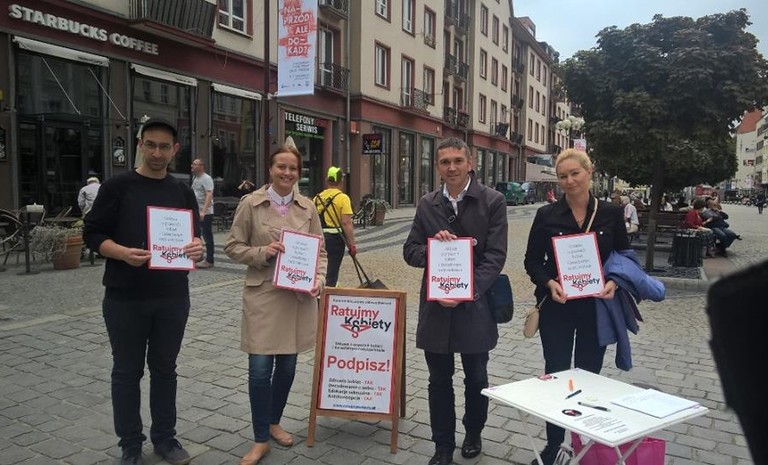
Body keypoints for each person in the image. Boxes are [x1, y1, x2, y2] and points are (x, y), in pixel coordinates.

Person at [84, 118, 203, 465]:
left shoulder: (182, 191)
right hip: (125, 296)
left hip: (172, 296)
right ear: (140, 144)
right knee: (126, 372)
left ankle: (165, 438)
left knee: (165, 370)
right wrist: (121, 253)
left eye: (164, 147)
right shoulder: (117, 187)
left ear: (175, 150)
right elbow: (92, 234)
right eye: (150, 144)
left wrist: (197, 248)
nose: (156, 153)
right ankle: (130, 444)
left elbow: (194, 237)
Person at [403, 138, 508, 465]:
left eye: (458, 161)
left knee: (476, 377)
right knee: (438, 381)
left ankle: (474, 432)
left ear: (470, 163)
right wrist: (432, 248)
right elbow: (410, 251)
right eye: (445, 162)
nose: (452, 167)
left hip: (475, 305)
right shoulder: (427, 203)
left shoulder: (492, 201)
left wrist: (467, 290)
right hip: (437, 308)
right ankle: (443, 445)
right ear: (437, 166)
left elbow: (495, 256)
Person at [523, 148, 628, 465]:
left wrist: (614, 281)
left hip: (596, 307)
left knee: (587, 375)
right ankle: (554, 446)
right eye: (562, 176)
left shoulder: (611, 213)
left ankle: (581, 446)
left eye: (574, 173)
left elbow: (623, 256)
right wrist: (548, 282)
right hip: (558, 306)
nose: (569, 181)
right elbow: (532, 261)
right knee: (556, 374)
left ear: (589, 172)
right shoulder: (547, 215)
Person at [224, 145, 327, 465]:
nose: (287, 173)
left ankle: (273, 422)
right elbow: (232, 246)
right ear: (270, 169)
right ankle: (259, 439)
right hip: (263, 295)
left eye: (293, 168)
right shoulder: (251, 204)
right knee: (259, 370)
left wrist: (319, 279)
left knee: (287, 367)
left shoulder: (308, 207)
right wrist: (262, 252)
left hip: (296, 299)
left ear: (299, 173)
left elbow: (321, 252)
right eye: (281, 167)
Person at [313, 166, 357, 287]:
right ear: (341, 181)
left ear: (327, 180)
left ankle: (318, 291)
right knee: (332, 271)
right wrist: (352, 244)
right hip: (335, 239)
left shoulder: (317, 198)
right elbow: (346, 223)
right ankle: (328, 292)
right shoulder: (343, 198)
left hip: (319, 237)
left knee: (319, 269)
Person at [191, 158, 215, 268]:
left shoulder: (206, 178)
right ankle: (199, 256)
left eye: (195, 164)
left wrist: (203, 212)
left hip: (205, 212)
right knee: (196, 234)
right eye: (192, 164)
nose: (192, 166)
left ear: (201, 166)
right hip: (197, 210)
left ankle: (210, 260)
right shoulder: (195, 178)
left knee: (207, 235)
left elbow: (209, 195)